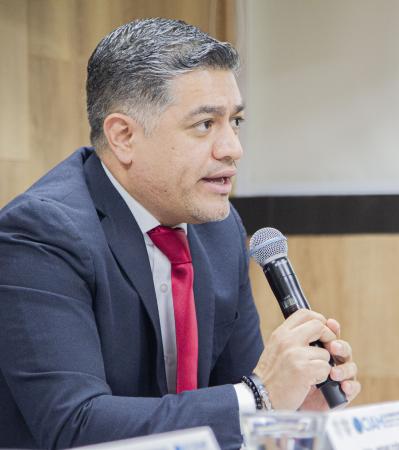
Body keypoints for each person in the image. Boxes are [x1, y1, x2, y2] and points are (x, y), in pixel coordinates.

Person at [0, 18, 360, 449]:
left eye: (235, 121)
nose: (233, 148)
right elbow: (74, 426)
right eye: (205, 124)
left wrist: (288, 413)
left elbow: (237, 399)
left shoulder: (220, 229)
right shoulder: (40, 233)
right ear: (124, 136)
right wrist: (259, 397)